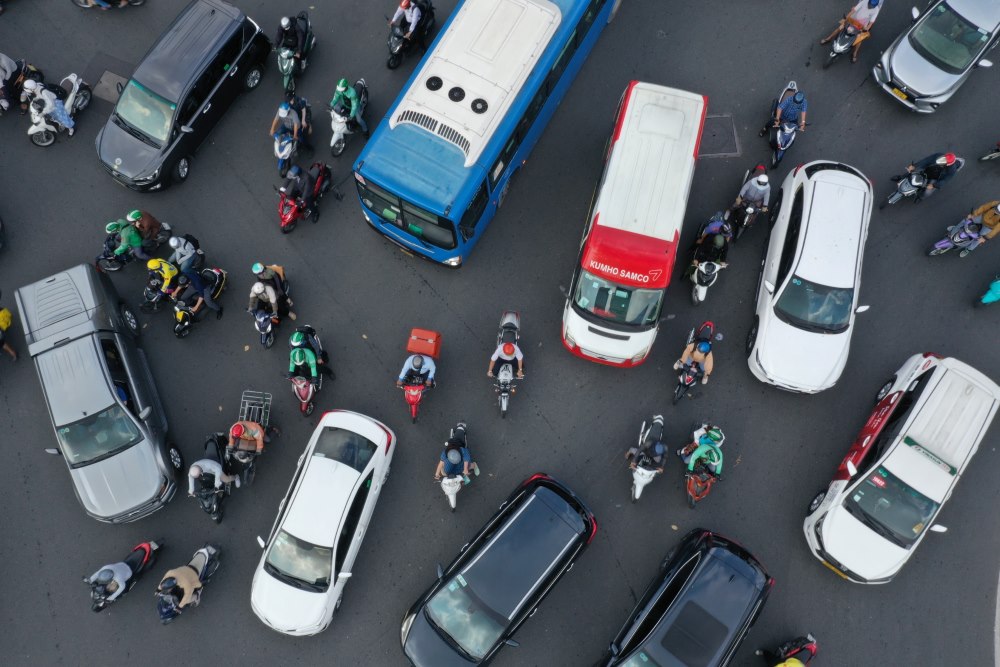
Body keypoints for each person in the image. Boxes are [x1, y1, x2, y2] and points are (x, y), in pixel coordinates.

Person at [894, 152, 961, 201]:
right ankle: (901, 177)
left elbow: (945, 180)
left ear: (948, 164)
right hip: (928, 169)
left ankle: (920, 197)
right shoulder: (938, 155)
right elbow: (926, 160)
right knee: (912, 171)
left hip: (935, 178)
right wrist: (915, 166)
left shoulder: (952, 170)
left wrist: (934, 185)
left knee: (927, 192)